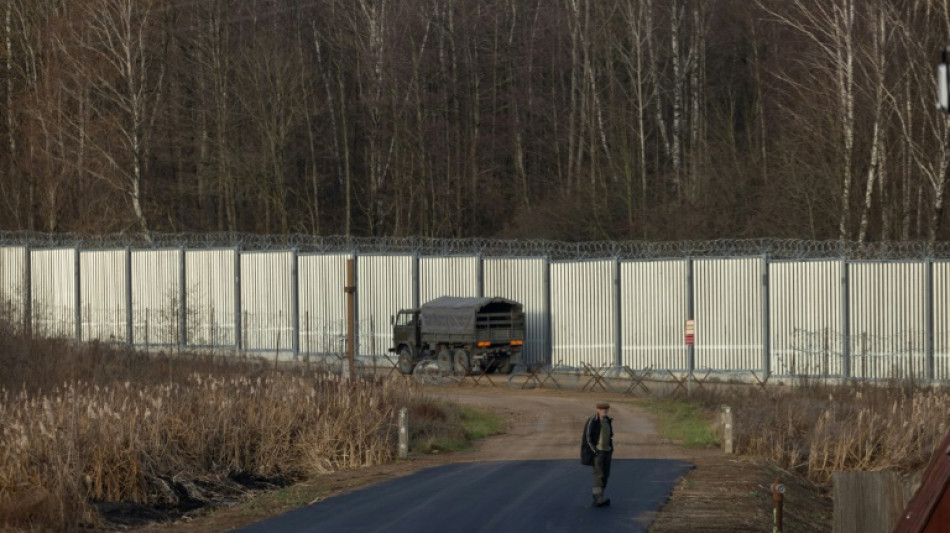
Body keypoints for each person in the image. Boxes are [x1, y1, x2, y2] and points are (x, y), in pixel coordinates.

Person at [583, 402, 614, 507]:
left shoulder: (607, 420)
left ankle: (601, 496)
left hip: (607, 451)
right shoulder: (593, 420)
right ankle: (598, 498)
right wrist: (595, 451)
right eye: (602, 409)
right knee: (599, 475)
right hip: (598, 452)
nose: (604, 411)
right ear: (598, 410)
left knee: (606, 474)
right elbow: (588, 438)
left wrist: (610, 449)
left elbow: (610, 436)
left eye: (606, 409)